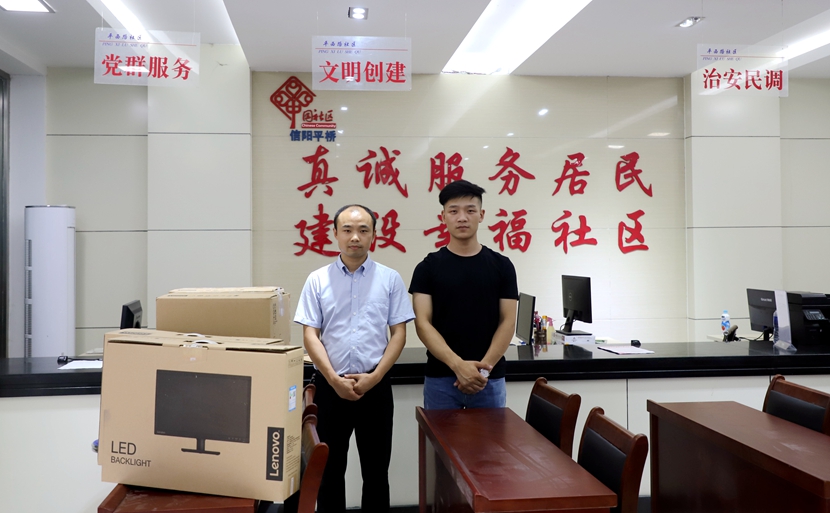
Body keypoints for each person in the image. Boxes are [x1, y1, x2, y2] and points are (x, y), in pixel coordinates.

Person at [294, 204, 414, 513]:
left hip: (375, 388)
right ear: (335, 233)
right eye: (347, 230)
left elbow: (399, 334)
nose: (355, 237)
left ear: (374, 235)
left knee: (376, 473)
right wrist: (333, 379)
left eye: (363, 230)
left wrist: (375, 377)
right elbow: (310, 335)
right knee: (329, 474)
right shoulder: (317, 280)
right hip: (330, 388)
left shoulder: (390, 279)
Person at [409, 180, 518, 409]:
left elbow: (508, 321)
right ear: (443, 217)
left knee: (493, 435)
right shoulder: (427, 268)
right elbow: (423, 324)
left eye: (470, 210)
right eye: (454, 211)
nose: (462, 218)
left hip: (489, 378)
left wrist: (481, 371)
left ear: (481, 215)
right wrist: (458, 366)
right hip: (441, 379)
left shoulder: (503, 266)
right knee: (438, 435)